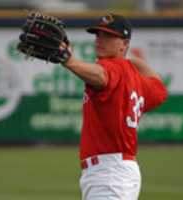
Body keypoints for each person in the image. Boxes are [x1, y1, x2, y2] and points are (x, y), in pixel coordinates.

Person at [62, 13, 168, 200]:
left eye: (109, 36)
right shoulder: (137, 79)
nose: (100, 40)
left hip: (109, 174)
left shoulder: (112, 67)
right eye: (98, 34)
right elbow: (160, 89)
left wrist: (70, 62)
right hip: (119, 171)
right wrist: (131, 61)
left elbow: (102, 76)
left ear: (124, 44)